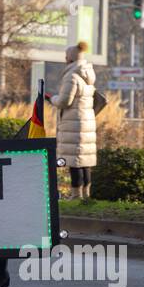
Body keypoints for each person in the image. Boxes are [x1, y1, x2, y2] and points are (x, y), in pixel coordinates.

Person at [48, 40, 97, 199]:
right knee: (85, 161)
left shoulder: (72, 76)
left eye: (66, 56)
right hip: (87, 122)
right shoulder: (88, 75)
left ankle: (76, 195)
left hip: (73, 123)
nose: (64, 58)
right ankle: (86, 195)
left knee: (74, 161)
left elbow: (64, 101)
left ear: (70, 58)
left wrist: (52, 99)